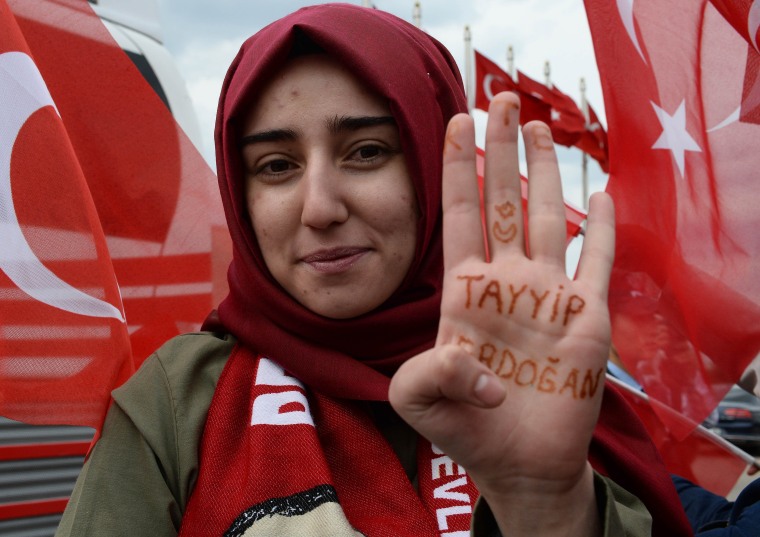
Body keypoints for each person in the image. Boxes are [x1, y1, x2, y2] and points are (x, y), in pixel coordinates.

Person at [55, 4, 694, 536]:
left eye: (366, 152)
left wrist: (546, 505)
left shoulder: (540, 376)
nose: (320, 207)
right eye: (276, 165)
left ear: (429, 167)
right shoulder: (175, 404)